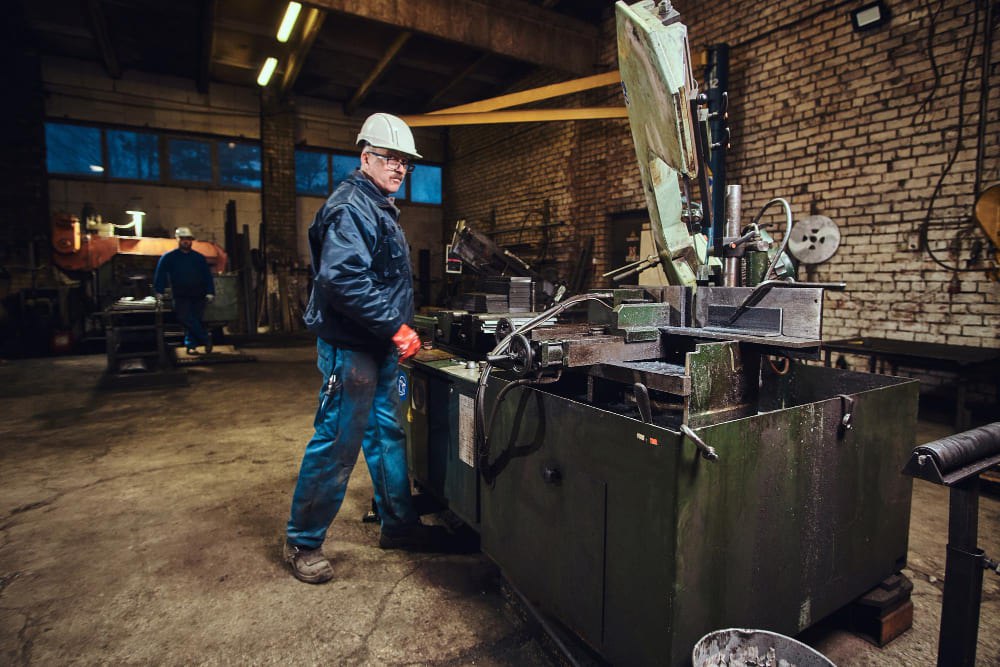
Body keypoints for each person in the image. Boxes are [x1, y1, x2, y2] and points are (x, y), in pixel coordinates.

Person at [283, 112, 445, 584]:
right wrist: (396, 328)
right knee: (337, 442)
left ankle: (399, 525)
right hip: (353, 347)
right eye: (389, 158)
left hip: (377, 348)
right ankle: (303, 541)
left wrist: (397, 331)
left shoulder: (379, 207)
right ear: (365, 157)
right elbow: (342, 279)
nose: (398, 168)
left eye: (405, 162)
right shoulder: (352, 205)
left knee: (386, 435)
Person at [153, 226, 216, 354]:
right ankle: (205, 338)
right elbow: (160, 273)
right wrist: (158, 290)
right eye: (183, 239)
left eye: (188, 239)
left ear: (191, 240)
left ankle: (191, 346)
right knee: (184, 318)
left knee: (194, 320)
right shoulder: (169, 257)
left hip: (199, 294)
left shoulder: (199, 258)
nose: (186, 241)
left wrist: (210, 291)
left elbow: (207, 275)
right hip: (180, 294)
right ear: (178, 240)